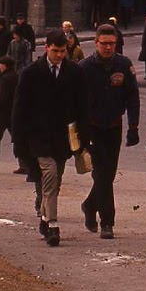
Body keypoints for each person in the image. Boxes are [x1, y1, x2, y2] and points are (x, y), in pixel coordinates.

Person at [11, 30, 88, 247]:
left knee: (55, 180)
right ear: (46, 48)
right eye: (55, 51)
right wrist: (18, 141)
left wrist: (83, 138)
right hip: (38, 137)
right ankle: (53, 225)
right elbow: (19, 109)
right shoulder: (30, 73)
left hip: (63, 139)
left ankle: (45, 219)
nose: (59, 55)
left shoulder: (75, 72)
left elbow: (82, 106)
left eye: (63, 51)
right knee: (51, 174)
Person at [78, 25, 140, 240]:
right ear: (96, 43)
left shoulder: (124, 65)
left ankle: (89, 205)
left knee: (108, 174)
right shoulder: (84, 68)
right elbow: (75, 102)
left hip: (114, 126)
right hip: (91, 127)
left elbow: (132, 97)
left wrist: (134, 127)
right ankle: (107, 222)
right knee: (102, 174)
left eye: (111, 44)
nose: (107, 47)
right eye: (103, 43)